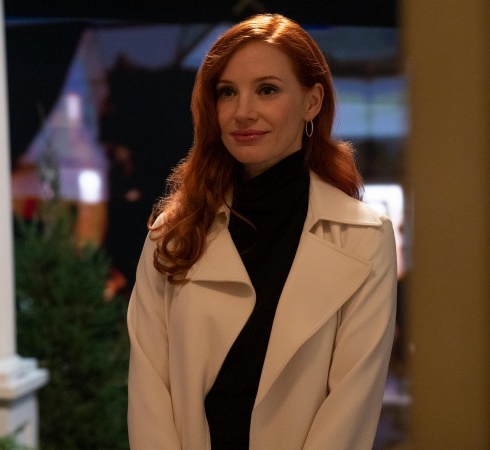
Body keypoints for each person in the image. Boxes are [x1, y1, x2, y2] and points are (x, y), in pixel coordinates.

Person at [127, 13, 397, 450]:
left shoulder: (364, 237)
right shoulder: (172, 234)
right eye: (227, 92)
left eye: (267, 90)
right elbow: (149, 393)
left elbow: (352, 405)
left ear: (312, 102)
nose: (243, 112)